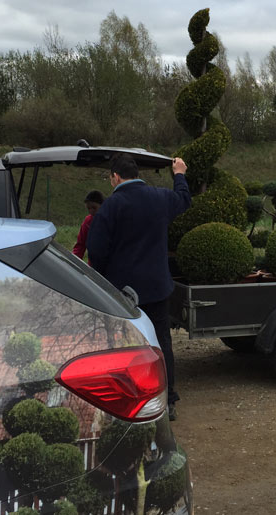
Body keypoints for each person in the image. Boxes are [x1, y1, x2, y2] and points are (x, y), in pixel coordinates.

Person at [87, 153, 191, 421]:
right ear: (136, 174)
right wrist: (179, 174)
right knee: (161, 343)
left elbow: (96, 251)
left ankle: (133, 401)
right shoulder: (160, 198)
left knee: (126, 345)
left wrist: (104, 281)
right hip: (157, 288)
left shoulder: (110, 207)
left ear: (115, 177)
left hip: (122, 293)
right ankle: (168, 400)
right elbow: (183, 200)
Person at [72, 190, 105, 262]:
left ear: (102, 205)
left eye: (94, 208)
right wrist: (73, 262)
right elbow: (80, 245)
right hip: (93, 264)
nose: (91, 211)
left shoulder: (110, 220)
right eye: (88, 208)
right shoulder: (88, 222)